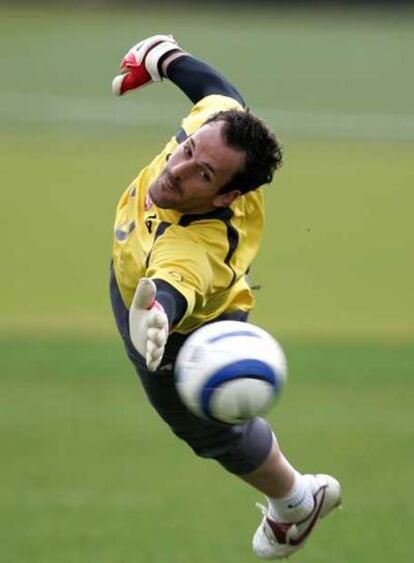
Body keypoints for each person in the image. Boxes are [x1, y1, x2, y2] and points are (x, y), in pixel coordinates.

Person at [110, 35, 342, 560]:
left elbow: (174, 282)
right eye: (190, 150)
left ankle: (297, 502)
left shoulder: (200, 241)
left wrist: (156, 316)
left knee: (208, 431)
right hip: (136, 278)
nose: (178, 169)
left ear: (226, 197)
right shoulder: (215, 128)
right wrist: (162, 58)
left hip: (180, 325)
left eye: (203, 175)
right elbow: (219, 92)